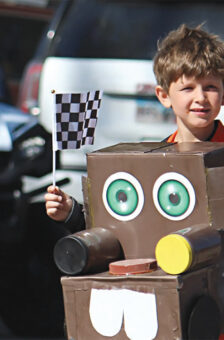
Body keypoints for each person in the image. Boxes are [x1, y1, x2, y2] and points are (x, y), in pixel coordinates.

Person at [45, 23, 224, 228]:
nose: (200, 97)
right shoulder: (154, 161)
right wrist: (72, 213)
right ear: (164, 96)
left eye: (210, 87)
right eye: (188, 88)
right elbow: (129, 228)